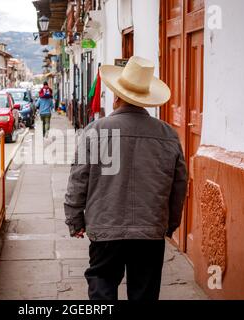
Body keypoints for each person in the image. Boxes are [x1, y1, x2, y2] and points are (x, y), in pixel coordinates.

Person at [64, 56, 188, 301]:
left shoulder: (96, 131)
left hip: (106, 227)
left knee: (102, 285)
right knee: (144, 291)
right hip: (150, 230)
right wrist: (170, 224)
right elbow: (179, 186)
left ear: (116, 97)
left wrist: (75, 219)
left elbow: (79, 179)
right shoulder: (168, 135)